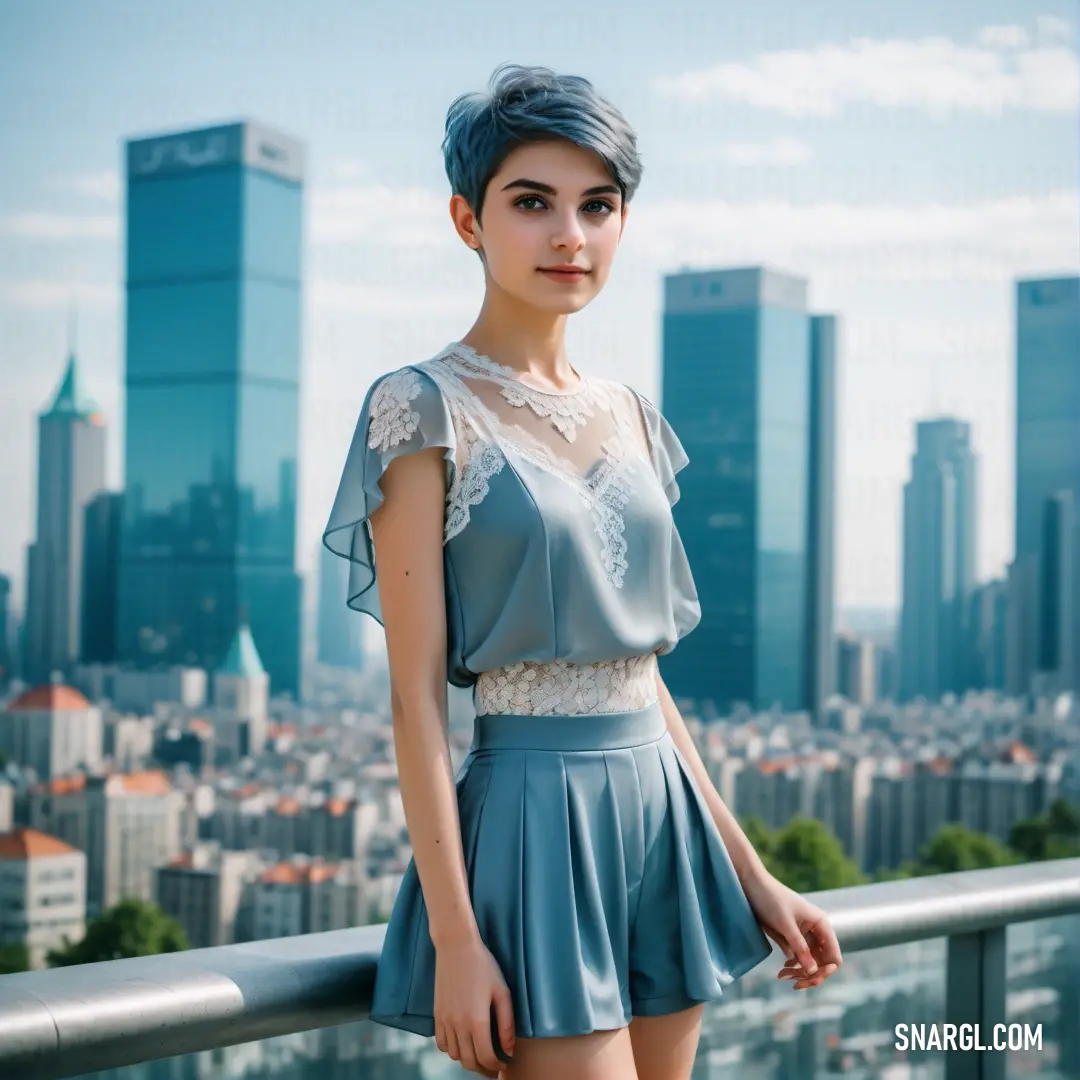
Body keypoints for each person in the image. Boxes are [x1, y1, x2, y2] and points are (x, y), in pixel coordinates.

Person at [323, 62, 843, 1080]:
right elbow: (415, 702)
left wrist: (755, 875)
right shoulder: (417, 408)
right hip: (534, 821)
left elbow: (642, 674)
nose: (570, 234)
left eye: (597, 205)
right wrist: (459, 940)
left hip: (663, 816)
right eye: (533, 203)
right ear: (467, 221)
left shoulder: (631, 413)